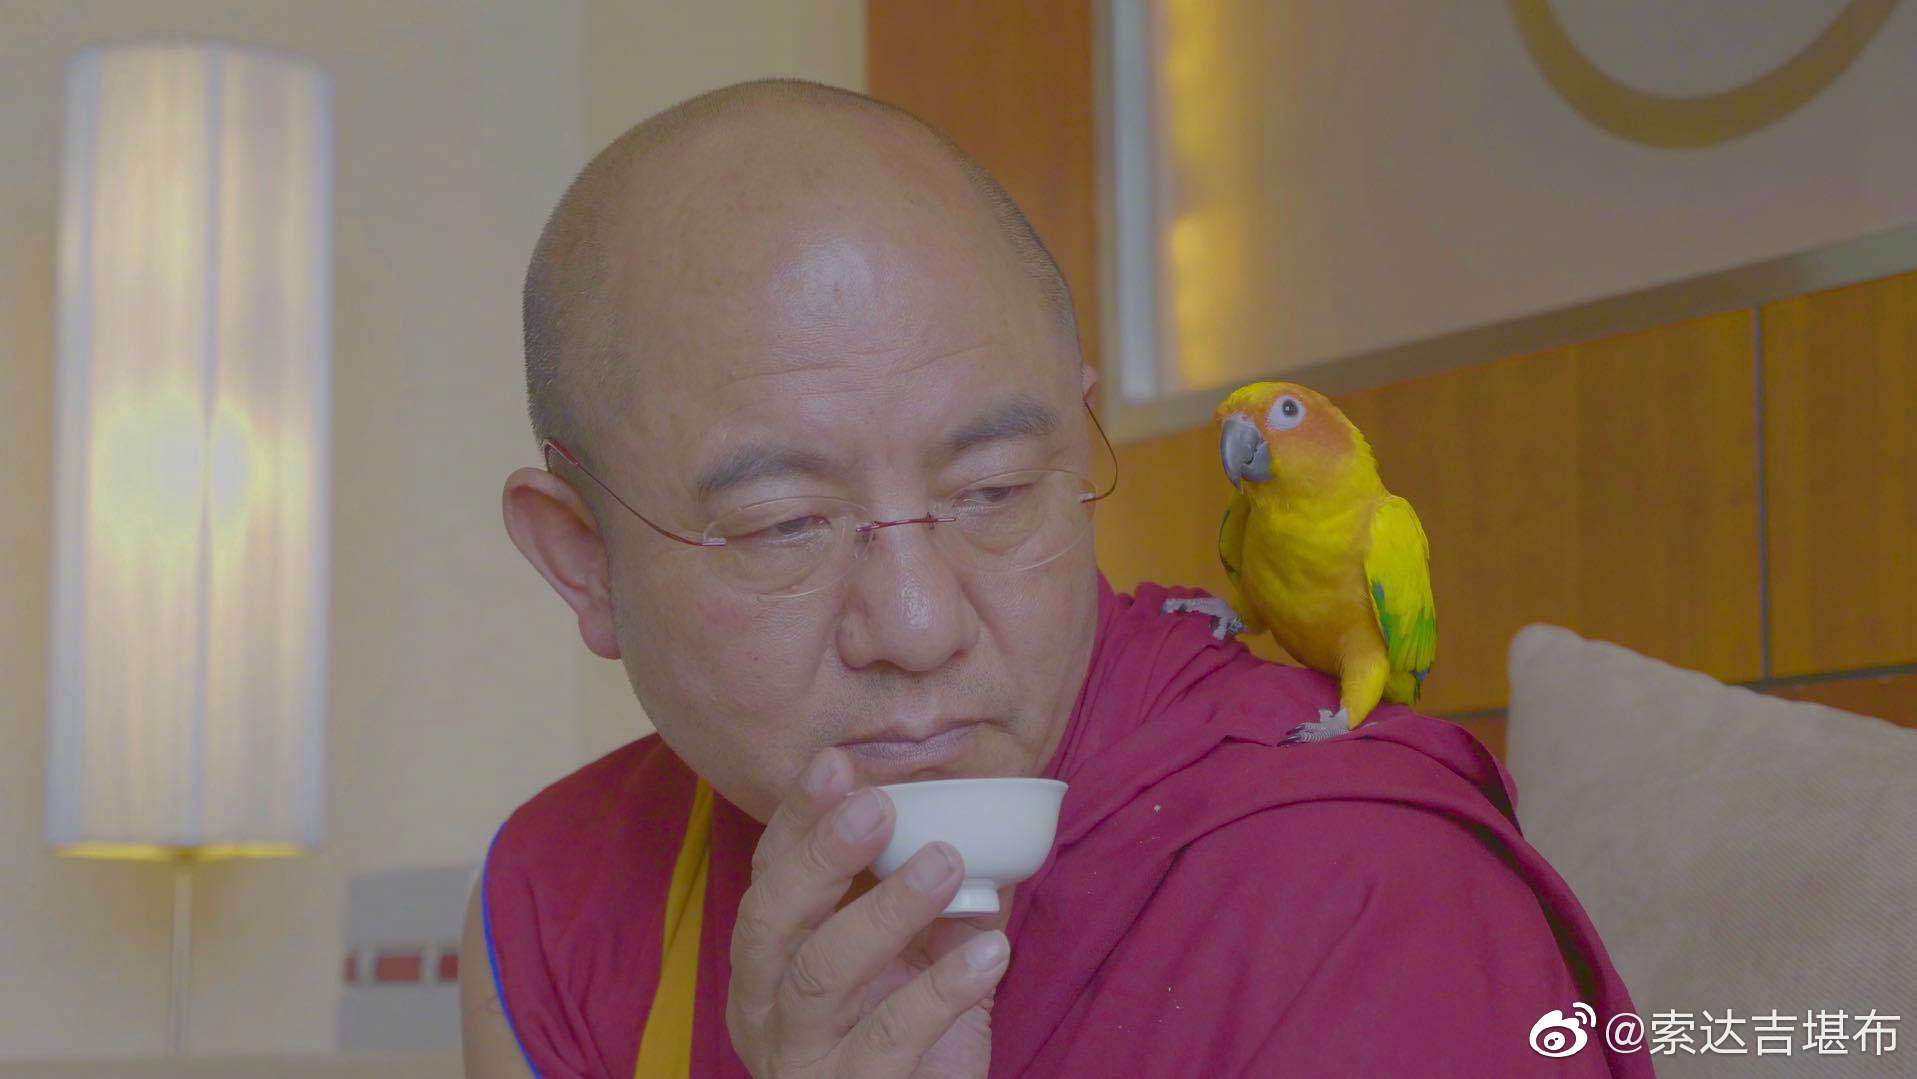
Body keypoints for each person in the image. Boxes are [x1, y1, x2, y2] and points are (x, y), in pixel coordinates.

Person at [462, 79, 1649, 1077]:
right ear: (582, 562)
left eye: (993, 489)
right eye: (785, 524)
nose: (919, 624)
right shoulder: (565, 901)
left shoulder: (1353, 879)